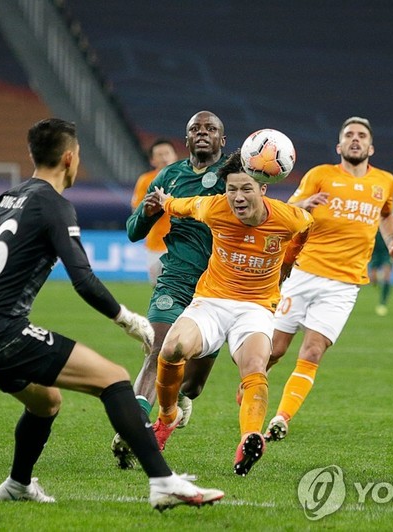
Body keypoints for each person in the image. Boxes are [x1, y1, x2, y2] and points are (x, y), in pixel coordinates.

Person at [0, 118, 223, 511]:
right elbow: (83, 279)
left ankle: (17, 484)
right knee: (114, 379)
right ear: (68, 158)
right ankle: (163, 482)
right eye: (78, 154)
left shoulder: (5, 199)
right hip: (2, 330)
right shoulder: (55, 205)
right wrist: (130, 321)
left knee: (46, 402)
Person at [149, 150, 313, 477]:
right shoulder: (214, 207)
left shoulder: (289, 218)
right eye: (231, 189)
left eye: (245, 189)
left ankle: (250, 437)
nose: (237, 197)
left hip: (255, 309)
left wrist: (287, 264)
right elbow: (181, 205)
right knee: (171, 350)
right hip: (211, 301)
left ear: (263, 188)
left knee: (255, 367)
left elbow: (305, 229)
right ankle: (167, 418)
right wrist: (165, 201)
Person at [262, 116, 393, 442]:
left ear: (370, 146)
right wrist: (305, 204)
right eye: (349, 135)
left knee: (313, 351)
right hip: (304, 273)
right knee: (275, 349)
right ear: (339, 146)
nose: (355, 139)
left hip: (344, 284)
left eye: (361, 136)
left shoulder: (385, 181)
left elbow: (385, 214)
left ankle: (281, 417)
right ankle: (256, 380)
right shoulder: (320, 175)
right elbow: (289, 211)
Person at [111, 111, 228, 469]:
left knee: (192, 385)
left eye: (211, 129)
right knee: (157, 349)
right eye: (196, 129)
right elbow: (133, 230)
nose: (203, 133)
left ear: (222, 141)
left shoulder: (232, 177)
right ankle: (135, 428)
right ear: (187, 139)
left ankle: (174, 401)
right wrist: (147, 212)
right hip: (174, 278)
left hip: (218, 288)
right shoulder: (168, 176)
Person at [131, 138, 178, 285]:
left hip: (182, 243)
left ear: (175, 156)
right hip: (156, 244)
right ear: (152, 160)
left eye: (167, 153)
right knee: (158, 290)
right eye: (159, 154)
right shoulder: (146, 181)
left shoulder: (186, 178)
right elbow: (137, 211)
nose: (164, 158)